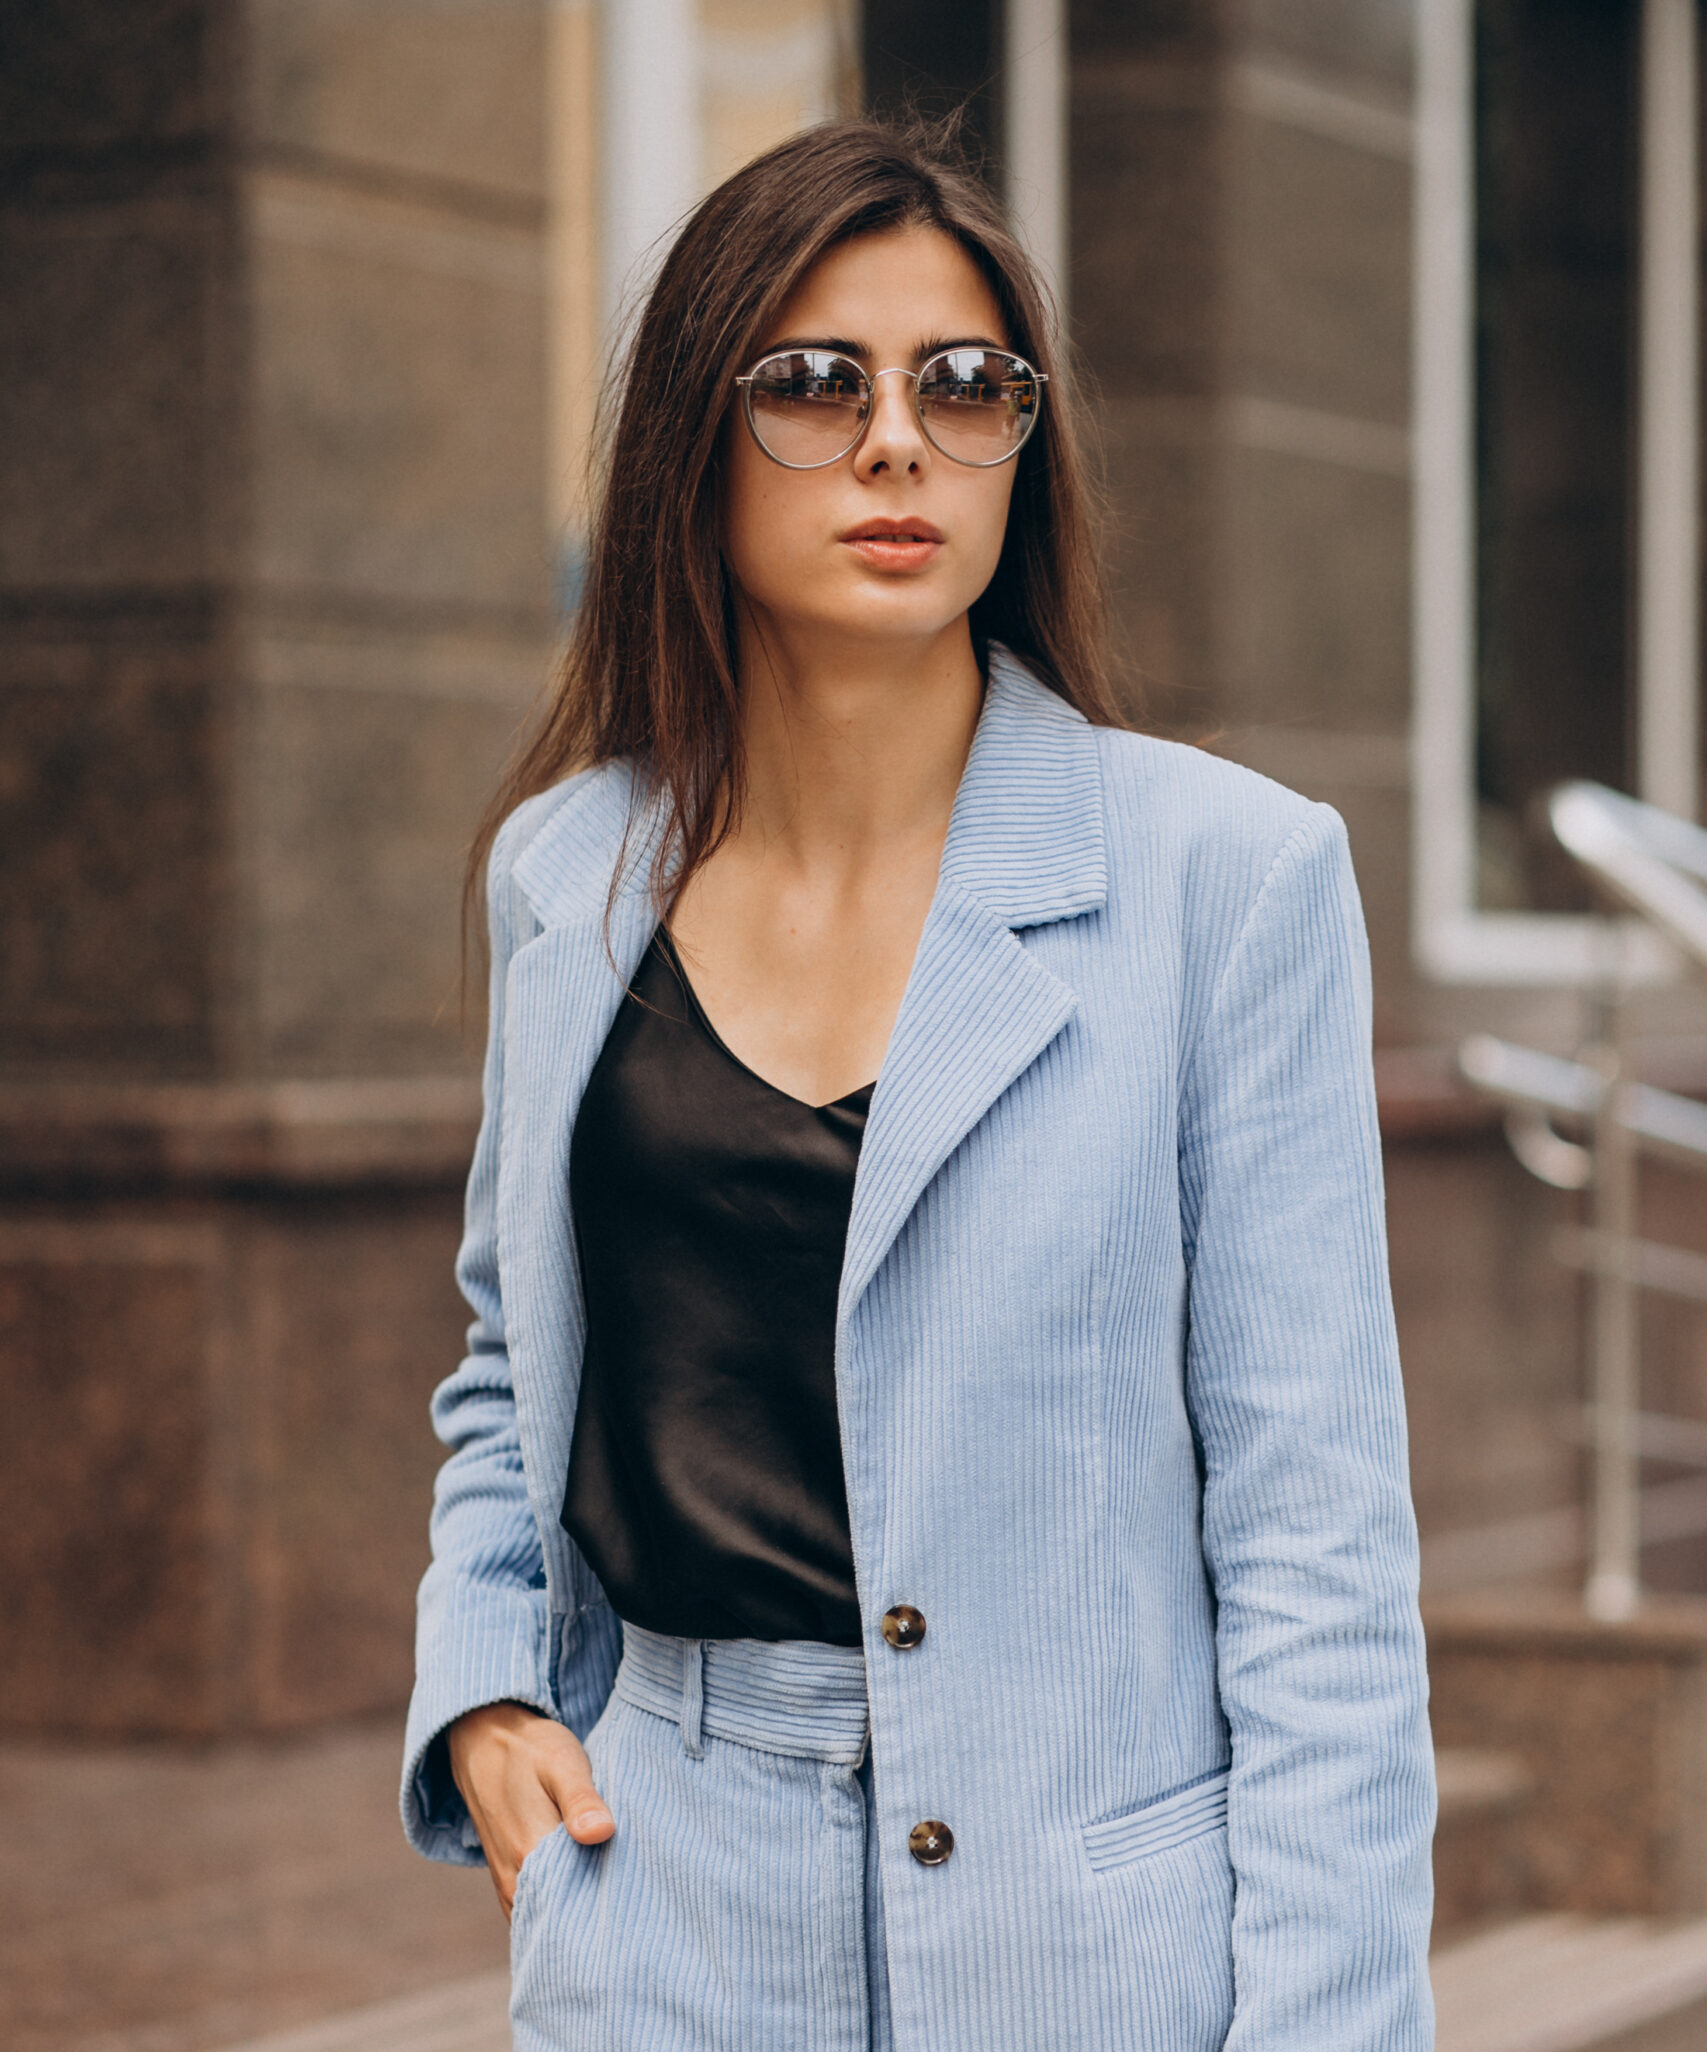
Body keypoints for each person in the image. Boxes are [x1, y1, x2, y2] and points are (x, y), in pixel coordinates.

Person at [401, 118, 1435, 2052]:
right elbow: (507, 1365)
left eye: (965, 385)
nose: (898, 442)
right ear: (692, 442)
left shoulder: (1228, 879)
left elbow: (1316, 1544)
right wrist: (483, 1684)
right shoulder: (569, 874)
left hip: (1082, 1942)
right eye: (812, 382)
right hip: (662, 1912)